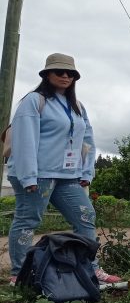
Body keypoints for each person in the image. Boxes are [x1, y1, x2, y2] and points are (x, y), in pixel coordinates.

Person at [6, 53, 120, 284]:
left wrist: (87, 172)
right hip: (38, 175)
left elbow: (87, 140)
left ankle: (90, 268)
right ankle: (19, 273)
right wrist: (29, 176)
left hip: (68, 175)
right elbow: (24, 139)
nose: (66, 76)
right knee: (28, 220)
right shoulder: (34, 101)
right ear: (47, 74)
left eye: (71, 73)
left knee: (86, 216)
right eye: (60, 72)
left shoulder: (77, 106)